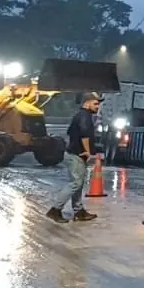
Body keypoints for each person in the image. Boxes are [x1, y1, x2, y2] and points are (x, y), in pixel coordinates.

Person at [47, 92, 102, 223]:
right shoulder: (84, 117)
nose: (97, 107)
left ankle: (79, 211)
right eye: (95, 104)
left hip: (74, 154)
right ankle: (55, 210)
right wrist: (88, 152)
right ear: (87, 103)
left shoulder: (81, 115)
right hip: (76, 155)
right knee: (75, 183)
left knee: (78, 184)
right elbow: (84, 134)